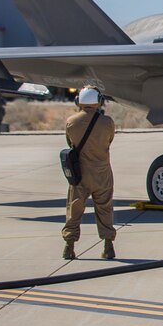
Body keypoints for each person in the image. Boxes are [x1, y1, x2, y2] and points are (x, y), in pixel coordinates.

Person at [62, 86, 117, 260]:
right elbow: (109, 141)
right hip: (102, 172)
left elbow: (71, 143)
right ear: (98, 102)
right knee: (105, 208)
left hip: (81, 174)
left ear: (79, 101)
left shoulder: (71, 122)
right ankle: (108, 246)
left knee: (74, 209)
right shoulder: (107, 122)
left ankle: (69, 247)